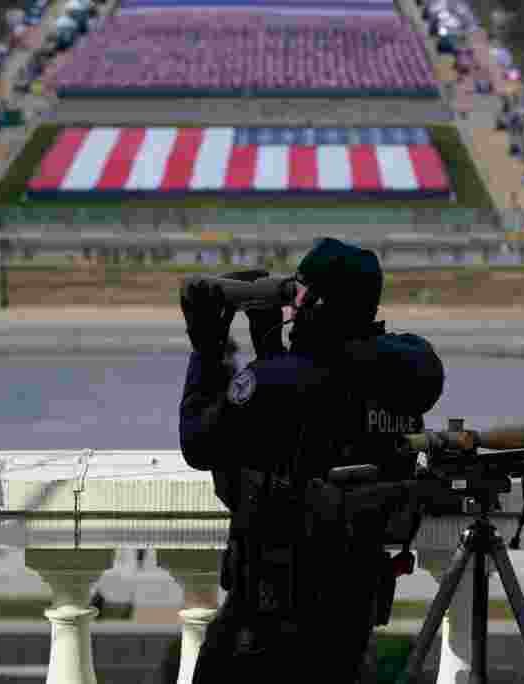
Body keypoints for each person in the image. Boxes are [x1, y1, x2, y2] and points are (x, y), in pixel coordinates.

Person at [179, 238, 444, 684]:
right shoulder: (400, 375)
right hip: (347, 621)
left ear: (316, 303)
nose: (290, 309)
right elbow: (312, 416)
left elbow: (199, 442)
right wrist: (273, 349)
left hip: (261, 626)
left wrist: (207, 347)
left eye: (297, 297)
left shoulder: (281, 383)